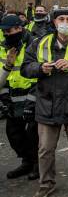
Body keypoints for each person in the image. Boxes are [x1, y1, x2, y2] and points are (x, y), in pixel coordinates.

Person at [21, 9, 68, 197]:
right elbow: (25, 68)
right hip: (47, 104)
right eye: (61, 19)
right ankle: (46, 183)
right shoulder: (39, 43)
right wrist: (39, 68)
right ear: (54, 22)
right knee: (45, 148)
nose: (65, 22)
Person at [0, 14, 38, 180]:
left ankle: (37, 163)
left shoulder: (34, 44)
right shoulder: (3, 47)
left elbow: (39, 71)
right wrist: (4, 97)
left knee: (33, 133)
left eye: (11, 30)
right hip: (13, 96)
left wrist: (34, 98)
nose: (8, 34)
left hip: (33, 94)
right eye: (5, 31)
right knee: (13, 133)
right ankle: (27, 161)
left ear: (20, 28)